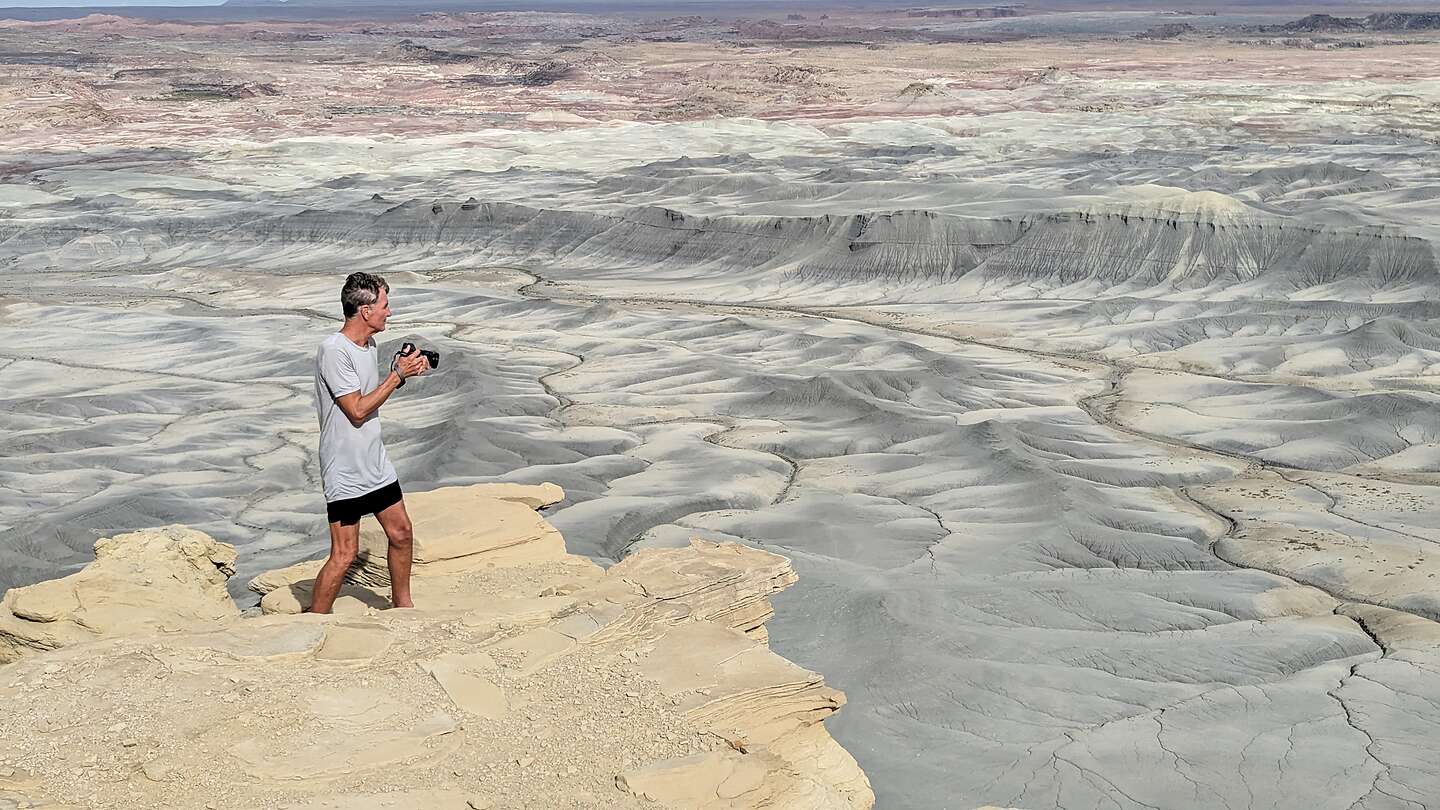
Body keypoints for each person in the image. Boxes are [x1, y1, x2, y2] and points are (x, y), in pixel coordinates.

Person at [308, 272, 429, 613]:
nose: (388, 312)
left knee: (402, 533)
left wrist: (403, 375)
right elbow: (357, 410)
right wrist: (397, 375)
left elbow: (368, 397)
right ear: (365, 311)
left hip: (374, 462)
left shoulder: (368, 346)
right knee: (345, 554)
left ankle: (403, 609)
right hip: (345, 468)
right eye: (384, 305)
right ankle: (314, 621)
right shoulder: (334, 351)